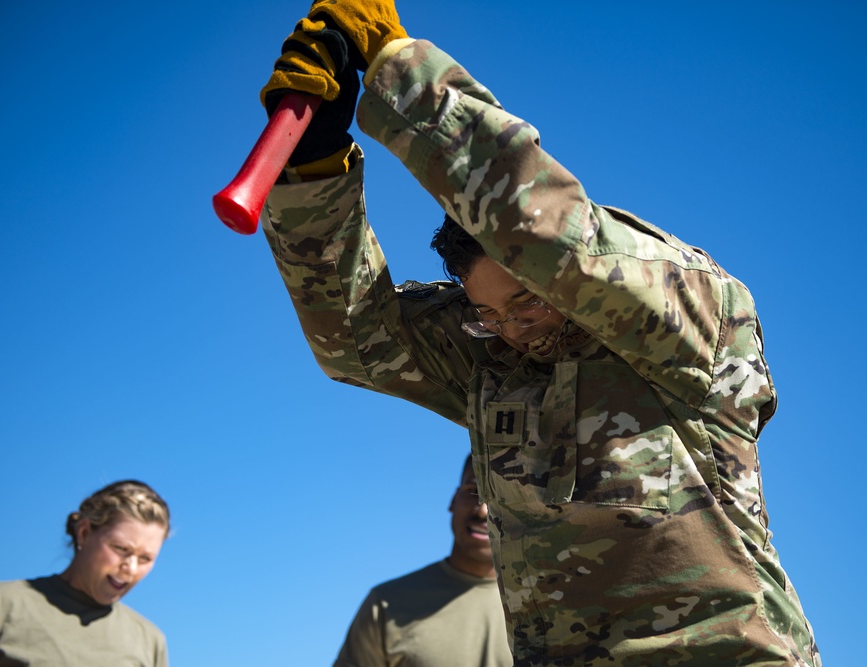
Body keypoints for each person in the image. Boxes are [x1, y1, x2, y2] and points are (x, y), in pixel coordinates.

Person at [255, 2, 820, 664]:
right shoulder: (494, 358)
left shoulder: (687, 319)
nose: (511, 330)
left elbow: (550, 236)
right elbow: (356, 337)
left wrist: (394, 65)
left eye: (526, 302)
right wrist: (313, 160)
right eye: (487, 313)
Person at [0, 480, 170, 667]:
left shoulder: (150, 642)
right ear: (84, 533)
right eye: (121, 549)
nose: (130, 568)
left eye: (145, 559)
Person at [334, 455, 512, 667]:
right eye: (473, 491)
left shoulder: (552, 610)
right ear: (453, 500)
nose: (483, 511)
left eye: (504, 498)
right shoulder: (386, 604)